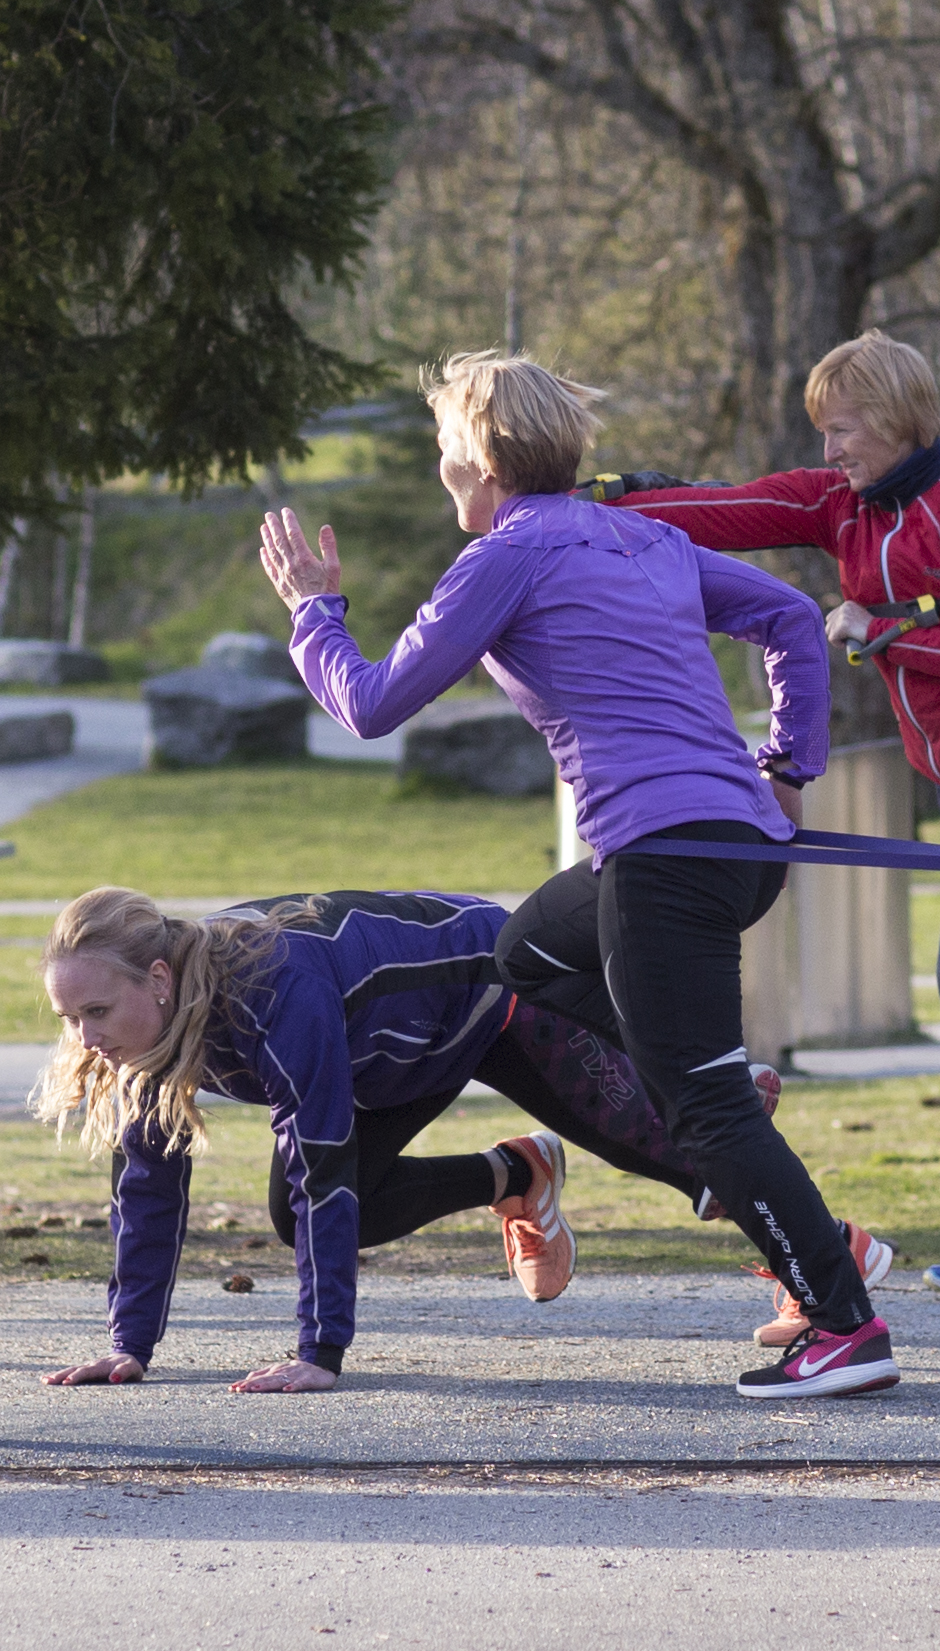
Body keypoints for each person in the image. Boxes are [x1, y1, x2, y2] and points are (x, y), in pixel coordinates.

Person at [263, 349, 903, 1399]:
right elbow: (790, 618)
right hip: (729, 849)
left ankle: (842, 1324)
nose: (439, 469)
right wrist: (784, 769)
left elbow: (369, 705)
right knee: (523, 953)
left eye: (443, 449)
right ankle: (696, 1070)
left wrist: (310, 611)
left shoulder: (504, 559)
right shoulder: (643, 535)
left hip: (667, 862)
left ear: (480, 457)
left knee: (709, 1120)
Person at [613, 334, 940, 1304]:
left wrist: (881, 626)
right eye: (823, 433)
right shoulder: (837, 505)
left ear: (894, 416)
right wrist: (588, 504)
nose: (830, 451)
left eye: (841, 428)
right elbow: (728, 511)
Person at [30, 887, 726, 1391]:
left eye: (96, 1011)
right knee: (296, 1213)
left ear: (157, 980)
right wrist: (129, 1346)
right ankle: (517, 1174)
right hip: (391, 1057)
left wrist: (320, 1351)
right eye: (69, 1017)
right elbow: (147, 1190)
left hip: (492, 986)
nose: (85, 1038)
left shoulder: (267, 990)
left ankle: (824, 1274)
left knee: (691, 1163)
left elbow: (321, 1171)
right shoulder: (135, 1043)